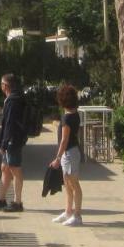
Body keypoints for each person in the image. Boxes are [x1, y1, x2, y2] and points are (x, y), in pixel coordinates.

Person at [0, 73, 27, 212]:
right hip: (12, 139)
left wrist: (4, 143)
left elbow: (9, 123)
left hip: (13, 140)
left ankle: (17, 202)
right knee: (5, 168)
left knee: (15, 169)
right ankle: (1, 198)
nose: (1, 86)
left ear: (6, 86)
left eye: (1, 84)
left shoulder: (13, 100)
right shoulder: (14, 98)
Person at [49, 83, 84, 226]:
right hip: (71, 152)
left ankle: (77, 215)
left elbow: (64, 140)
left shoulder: (67, 118)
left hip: (69, 153)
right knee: (67, 184)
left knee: (73, 184)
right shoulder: (75, 115)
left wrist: (57, 158)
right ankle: (68, 211)